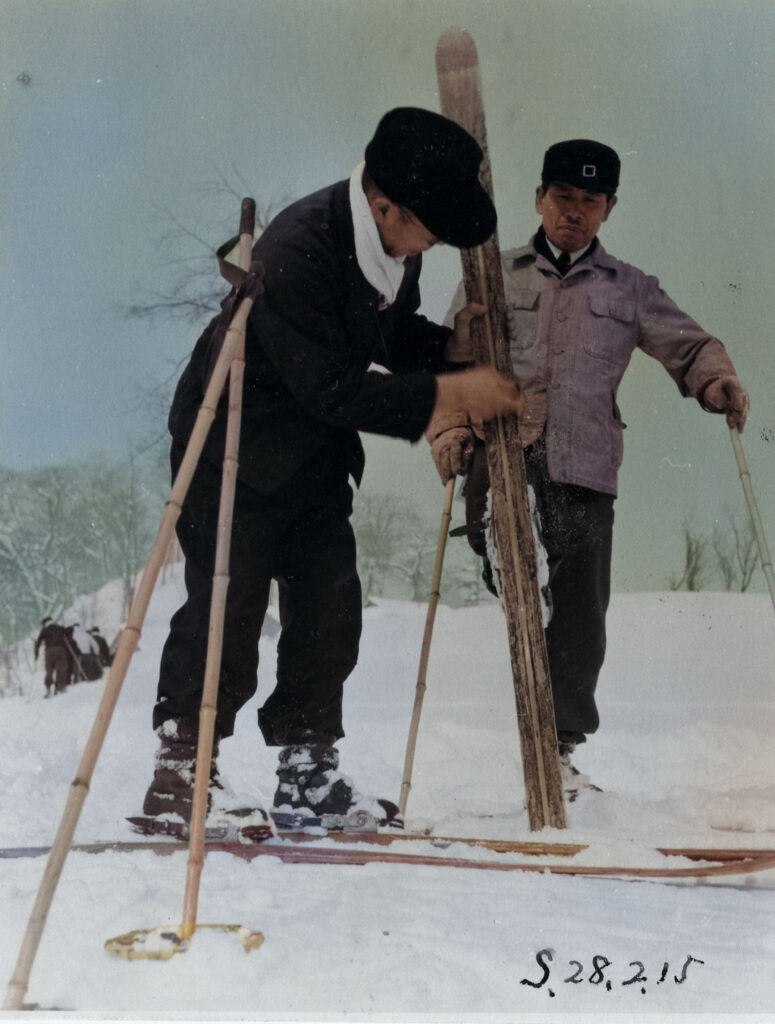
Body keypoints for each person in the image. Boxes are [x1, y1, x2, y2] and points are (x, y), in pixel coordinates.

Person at [138, 107, 523, 830]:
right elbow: (333, 385)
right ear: (385, 205)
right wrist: (450, 392)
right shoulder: (297, 248)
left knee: (328, 608)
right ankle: (180, 776)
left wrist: (446, 348)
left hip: (313, 447)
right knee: (229, 605)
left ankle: (307, 778)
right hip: (233, 441)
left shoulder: (391, 244)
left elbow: (380, 332)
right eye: (428, 230)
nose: (431, 246)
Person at [434, 139, 749, 798]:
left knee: (580, 613)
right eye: (561, 197)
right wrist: (450, 432)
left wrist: (714, 379)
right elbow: (450, 362)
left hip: (582, 465)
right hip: (504, 454)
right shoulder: (492, 273)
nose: (572, 212)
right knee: (519, 580)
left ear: (607, 208)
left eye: (588, 201)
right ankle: (529, 605)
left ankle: (558, 750)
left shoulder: (628, 288)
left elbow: (687, 344)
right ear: (539, 199)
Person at [34, 618, 71, 697]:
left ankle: (48, 687)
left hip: (49, 651)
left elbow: (38, 642)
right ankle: (60, 686)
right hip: (60, 649)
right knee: (61, 668)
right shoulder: (59, 628)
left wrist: (36, 653)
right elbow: (68, 632)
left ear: (45, 624)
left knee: (49, 669)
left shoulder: (44, 630)